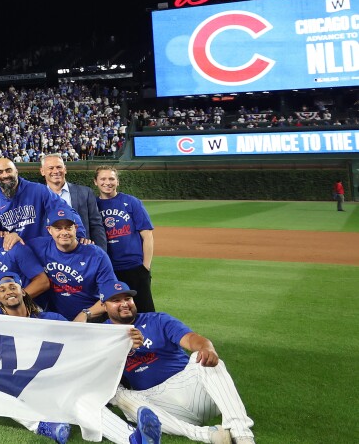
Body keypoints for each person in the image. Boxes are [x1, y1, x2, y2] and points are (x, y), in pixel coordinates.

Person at [0, 273, 163, 444]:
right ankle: (42, 425)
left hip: (51, 383)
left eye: (13, 286)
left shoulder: (50, 319)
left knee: (84, 403)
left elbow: (82, 337)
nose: (8, 290)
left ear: (23, 292)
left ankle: (133, 439)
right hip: (14, 385)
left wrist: (122, 339)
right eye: (2, 290)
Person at [105, 282, 255, 444]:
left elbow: (191, 339)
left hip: (189, 387)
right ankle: (208, 435)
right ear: (103, 305)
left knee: (204, 358)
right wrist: (121, 347)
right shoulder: (101, 335)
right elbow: (98, 371)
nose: (124, 304)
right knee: (116, 393)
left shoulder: (158, 320)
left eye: (127, 298)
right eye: (116, 300)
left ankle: (242, 434)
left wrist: (207, 347)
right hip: (158, 403)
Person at [30, 205, 118, 321]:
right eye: (58, 228)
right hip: (55, 319)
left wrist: (86, 314)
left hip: (91, 317)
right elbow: (15, 248)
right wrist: (10, 236)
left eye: (68, 227)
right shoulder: (38, 246)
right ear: (49, 230)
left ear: (76, 228)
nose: (64, 232)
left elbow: (111, 294)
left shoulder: (96, 255)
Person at [95, 167, 156, 314]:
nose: (107, 182)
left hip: (133, 267)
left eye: (111, 179)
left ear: (117, 181)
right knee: (112, 312)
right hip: (107, 269)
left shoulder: (131, 202)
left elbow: (147, 236)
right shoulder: (93, 205)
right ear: (96, 182)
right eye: (103, 179)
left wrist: (145, 268)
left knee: (144, 310)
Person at [42, 153, 106, 249]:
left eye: (59, 167)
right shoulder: (37, 197)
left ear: (65, 169)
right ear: (42, 171)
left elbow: (96, 225)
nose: (56, 171)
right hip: (48, 254)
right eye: (51, 168)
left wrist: (101, 253)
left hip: (81, 252)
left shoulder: (85, 192)